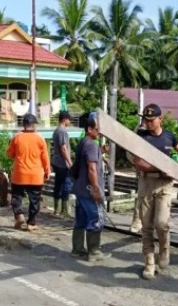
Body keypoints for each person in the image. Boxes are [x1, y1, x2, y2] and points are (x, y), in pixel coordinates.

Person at [133, 103, 178, 280]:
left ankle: (164, 249)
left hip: (165, 184)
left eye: (151, 120)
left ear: (160, 119)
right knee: (147, 226)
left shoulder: (169, 137)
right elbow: (138, 162)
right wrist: (160, 167)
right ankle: (149, 263)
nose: (147, 123)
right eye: (145, 120)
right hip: (147, 183)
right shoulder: (140, 136)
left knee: (162, 223)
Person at [70, 112, 111, 262]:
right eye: (97, 129)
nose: (99, 132)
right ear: (89, 128)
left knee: (80, 220)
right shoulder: (91, 146)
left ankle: (78, 248)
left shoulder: (84, 143)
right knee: (96, 219)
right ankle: (94, 252)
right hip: (89, 190)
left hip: (80, 189)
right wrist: (96, 189)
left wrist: (100, 151)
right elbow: (92, 169)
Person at [7, 113, 50, 231]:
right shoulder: (40, 139)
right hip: (35, 175)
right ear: (34, 125)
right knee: (35, 200)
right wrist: (47, 171)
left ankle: (19, 215)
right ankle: (31, 223)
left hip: (19, 174)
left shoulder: (16, 137)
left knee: (16, 197)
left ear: (23, 124)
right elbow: (45, 158)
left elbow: (9, 153)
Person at [51, 111, 74, 217]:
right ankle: (64, 210)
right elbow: (63, 148)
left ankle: (56, 209)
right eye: (69, 119)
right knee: (66, 185)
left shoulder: (56, 131)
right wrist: (70, 162)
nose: (69, 121)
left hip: (56, 162)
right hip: (62, 163)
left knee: (58, 185)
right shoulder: (62, 131)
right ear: (65, 119)